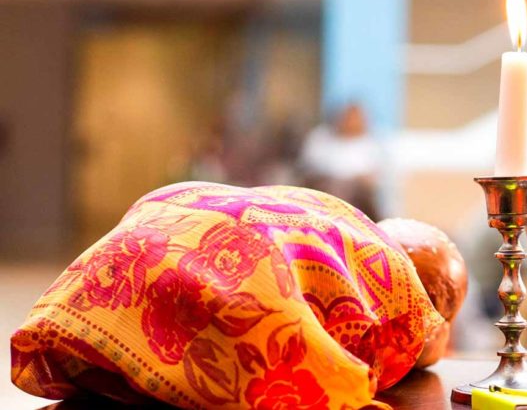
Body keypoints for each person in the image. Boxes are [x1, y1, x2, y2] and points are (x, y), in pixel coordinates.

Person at [11, 182, 466, 409]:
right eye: (442, 302)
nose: (438, 318)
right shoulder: (382, 278)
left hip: (106, 282)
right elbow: (420, 343)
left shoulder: (316, 209)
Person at [300, 103, 383, 219]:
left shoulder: (371, 144)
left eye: (355, 118)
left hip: (357, 196)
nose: (351, 122)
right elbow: (308, 169)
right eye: (347, 117)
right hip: (324, 192)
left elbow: (373, 178)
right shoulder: (320, 138)